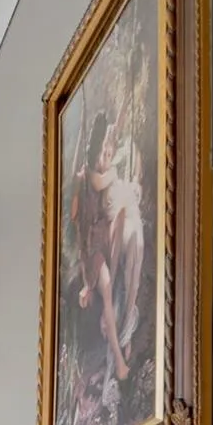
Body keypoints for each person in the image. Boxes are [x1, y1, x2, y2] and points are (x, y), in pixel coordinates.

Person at [71, 108, 146, 384]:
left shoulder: (102, 184)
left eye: (108, 151)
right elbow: (81, 239)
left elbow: (116, 131)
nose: (107, 155)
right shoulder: (91, 178)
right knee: (104, 285)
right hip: (95, 254)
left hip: (105, 244)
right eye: (103, 152)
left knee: (117, 286)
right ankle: (118, 359)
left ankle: (123, 339)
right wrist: (84, 283)